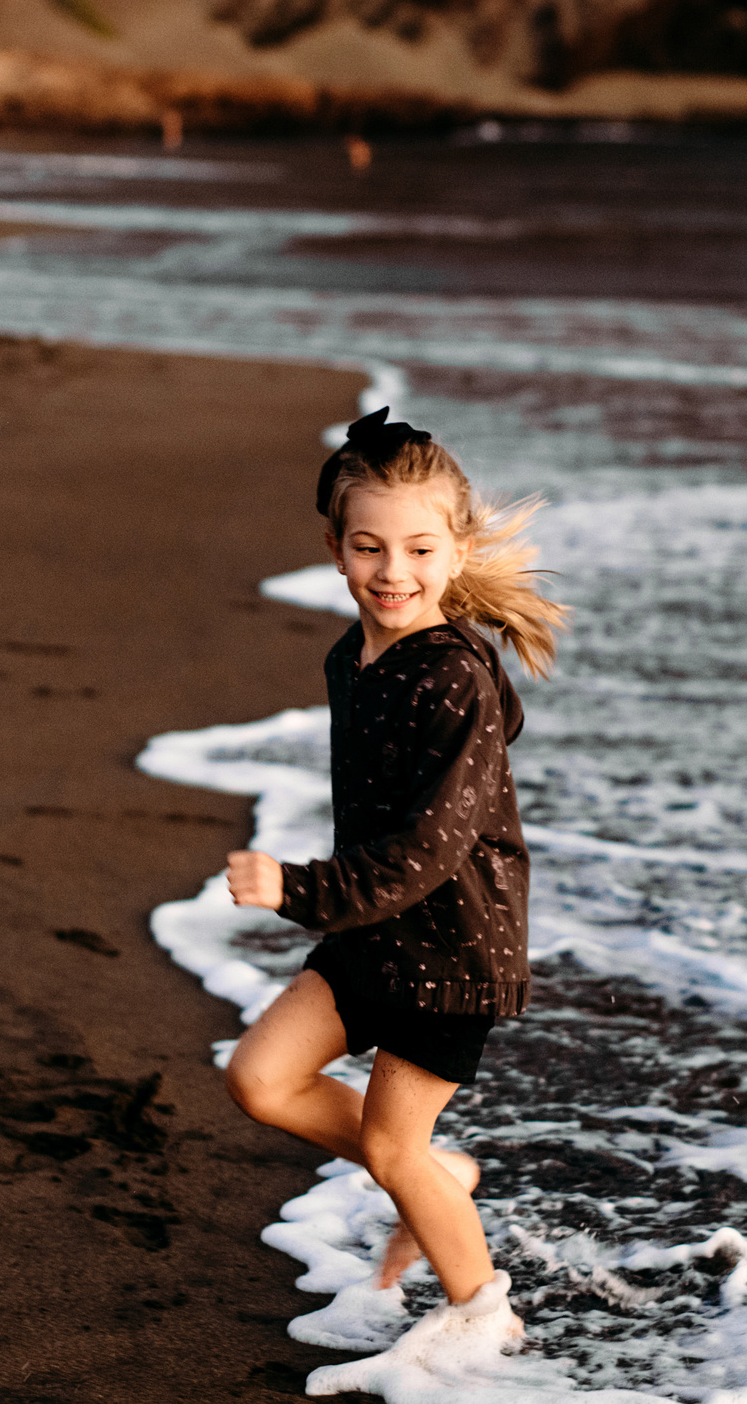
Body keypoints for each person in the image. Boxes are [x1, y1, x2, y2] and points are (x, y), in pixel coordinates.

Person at [223, 406, 565, 1357]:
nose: (393, 571)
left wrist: (295, 888)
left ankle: (483, 1318)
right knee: (260, 1077)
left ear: (455, 550)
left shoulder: (454, 676)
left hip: (453, 950)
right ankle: (442, 1176)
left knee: (387, 1147)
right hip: (376, 934)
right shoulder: (353, 656)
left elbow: (426, 850)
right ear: (335, 548)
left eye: (419, 547)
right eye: (369, 546)